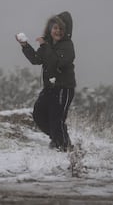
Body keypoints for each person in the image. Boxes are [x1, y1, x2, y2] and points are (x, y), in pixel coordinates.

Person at [16, 11, 76, 152]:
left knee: (57, 118)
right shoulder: (48, 44)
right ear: (50, 28)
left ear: (66, 31)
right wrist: (25, 46)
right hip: (50, 87)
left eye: (61, 29)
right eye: (55, 28)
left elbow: (56, 62)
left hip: (63, 88)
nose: (58, 31)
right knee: (39, 114)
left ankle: (64, 147)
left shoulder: (67, 46)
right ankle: (59, 138)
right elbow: (36, 59)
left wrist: (45, 46)